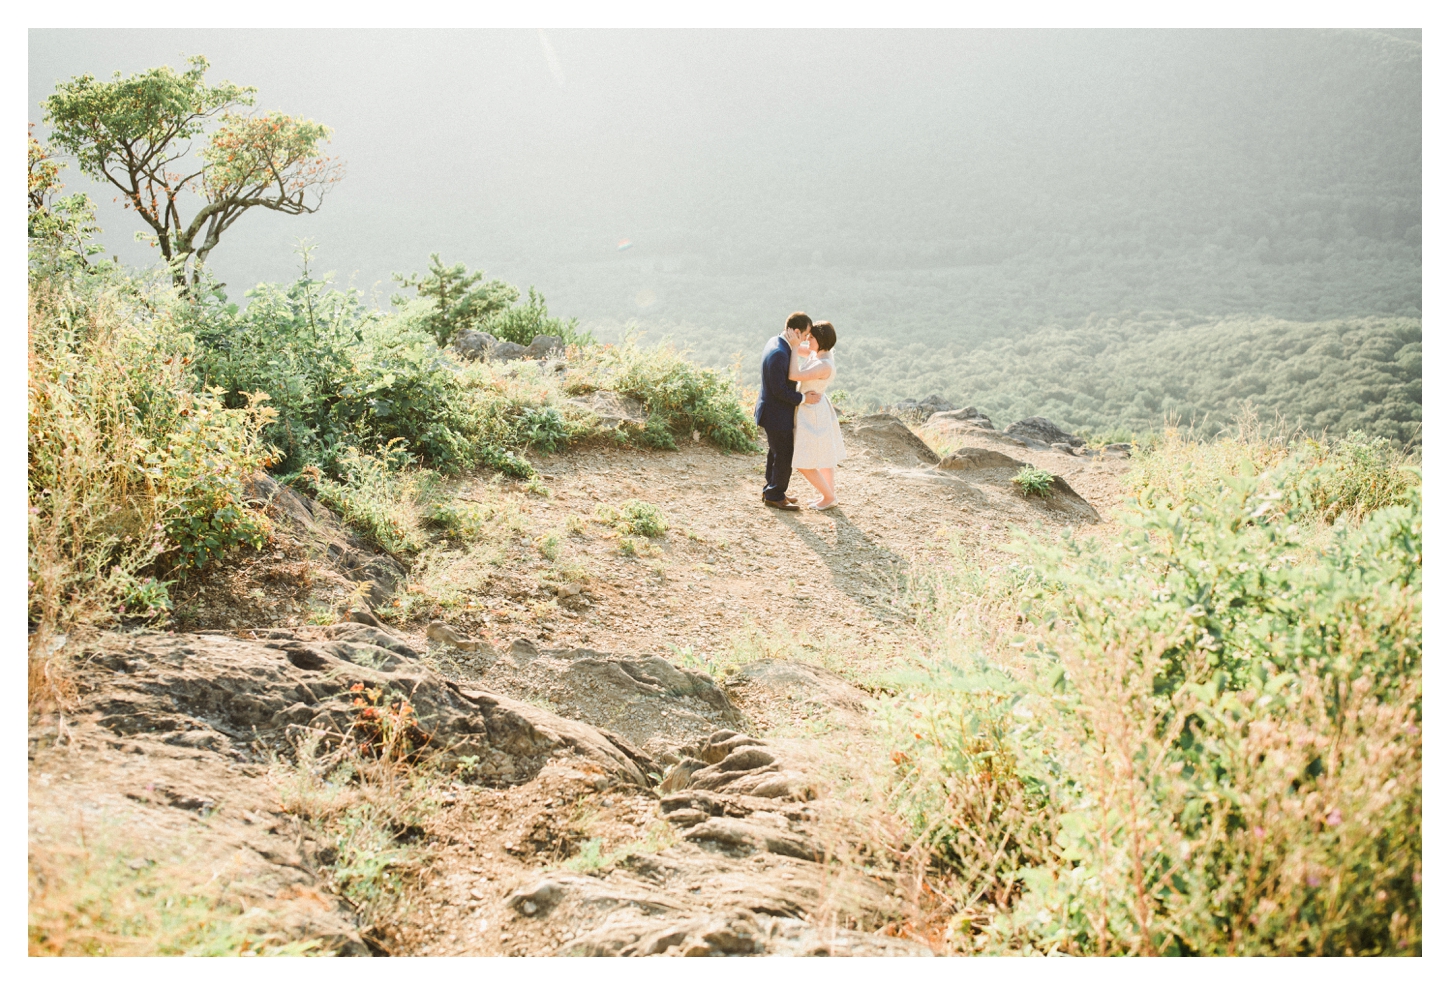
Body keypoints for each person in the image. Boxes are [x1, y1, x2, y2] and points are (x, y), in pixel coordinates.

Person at [754, 312, 822, 511]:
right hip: (776, 413)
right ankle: (775, 495)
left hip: (771, 411)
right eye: (806, 335)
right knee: (784, 454)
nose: (806, 340)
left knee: (775, 453)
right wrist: (803, 398)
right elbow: (779, 390)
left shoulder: (776, 342)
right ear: (797, 332)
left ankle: (772, 490)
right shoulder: (780, 353)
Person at [788, 320, 847, 509]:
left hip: (812, 412)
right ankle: (828, 496)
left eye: (811, 337)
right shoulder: (820, 352)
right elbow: (805, 350)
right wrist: (794, 343)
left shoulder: (824, 364)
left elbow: (793, 375)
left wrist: (796, 347)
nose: (807, 340)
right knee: (824, 456)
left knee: (804, 460)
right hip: (814, 409)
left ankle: (828, 497)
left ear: (820, 340)